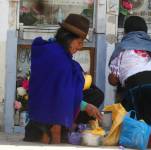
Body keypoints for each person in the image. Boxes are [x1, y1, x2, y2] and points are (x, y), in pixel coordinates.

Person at [24, 14, 104, 144]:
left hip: (39, 115)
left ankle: (65, 128)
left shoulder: (52, 50)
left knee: (95, 93)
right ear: (68, 39)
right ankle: (62, 131)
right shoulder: (60, 60)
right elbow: (60, 96)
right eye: (79, 42)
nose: (80, 47)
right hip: (45, 122)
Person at [108, 16, 151, 134]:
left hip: (140, 96)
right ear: (145, 31)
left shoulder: (123, 48)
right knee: (148, 88)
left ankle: (127, 128)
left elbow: (114, 79)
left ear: (125, 32)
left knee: (127, 88)